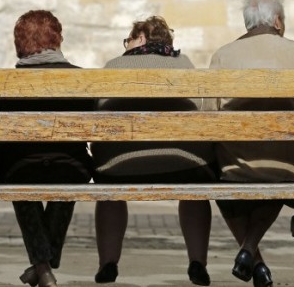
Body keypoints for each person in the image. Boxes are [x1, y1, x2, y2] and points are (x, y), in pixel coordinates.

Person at [206, 0, 294, 287]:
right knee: (280, 169)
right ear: (278, 21)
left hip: (237, 165)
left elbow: (207, 117)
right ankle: (249, 252)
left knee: (224, 185)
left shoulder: (223, 55)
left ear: (247, 23)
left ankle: (253, 257)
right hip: (293, 166)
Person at [90, 16, 218, 286]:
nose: (127, 45)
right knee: (195, 192)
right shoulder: (186, 66)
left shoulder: (113, 66)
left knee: (110, 195)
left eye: (130, 39)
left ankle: (108, 262)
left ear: (142, 39)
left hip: (118, 167)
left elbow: (97, 115)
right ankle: (197, 261)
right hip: (185, 165)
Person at [0, 10, 94, 287]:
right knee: (68, 182)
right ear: (58, 38)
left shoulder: (5, 84)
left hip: (21, 167)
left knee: (21, 186)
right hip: (71, 166)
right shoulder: (82, 80)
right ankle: (44, 264)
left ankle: (42, 266)